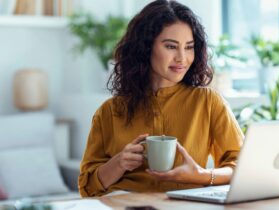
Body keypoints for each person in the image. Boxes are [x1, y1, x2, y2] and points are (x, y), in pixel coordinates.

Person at [78, 0, 243, 197]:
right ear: (146, 48)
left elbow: (242, 167)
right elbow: (87, 188)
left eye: (189, 47)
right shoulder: (109, 111)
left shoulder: (208, 102)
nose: (182, 58)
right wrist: (119, 163)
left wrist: (202, 175)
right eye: (171, 46)